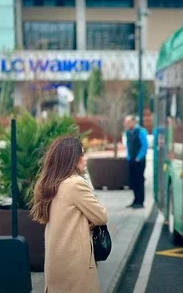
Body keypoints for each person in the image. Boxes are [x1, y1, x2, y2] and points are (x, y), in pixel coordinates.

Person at [30, 136, 108, 293]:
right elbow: (101, 216)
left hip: (56, 262)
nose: (84, 159)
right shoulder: (75, 183)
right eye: (82, 154)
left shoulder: (49, 183)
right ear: (73, 159)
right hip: (75, 264)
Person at [124, 116, 149, 209]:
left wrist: (139, 157)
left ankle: (140, 201)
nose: (126, 124)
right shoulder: (127, 133)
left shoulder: (140, 131)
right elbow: (128, 145)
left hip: (139, 161)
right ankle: (135, 200)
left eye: (128, 122)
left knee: (139, 180)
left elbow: (144, 145)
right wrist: (129, 156)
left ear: (133, 122)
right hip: (131, 160)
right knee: (133, 180)